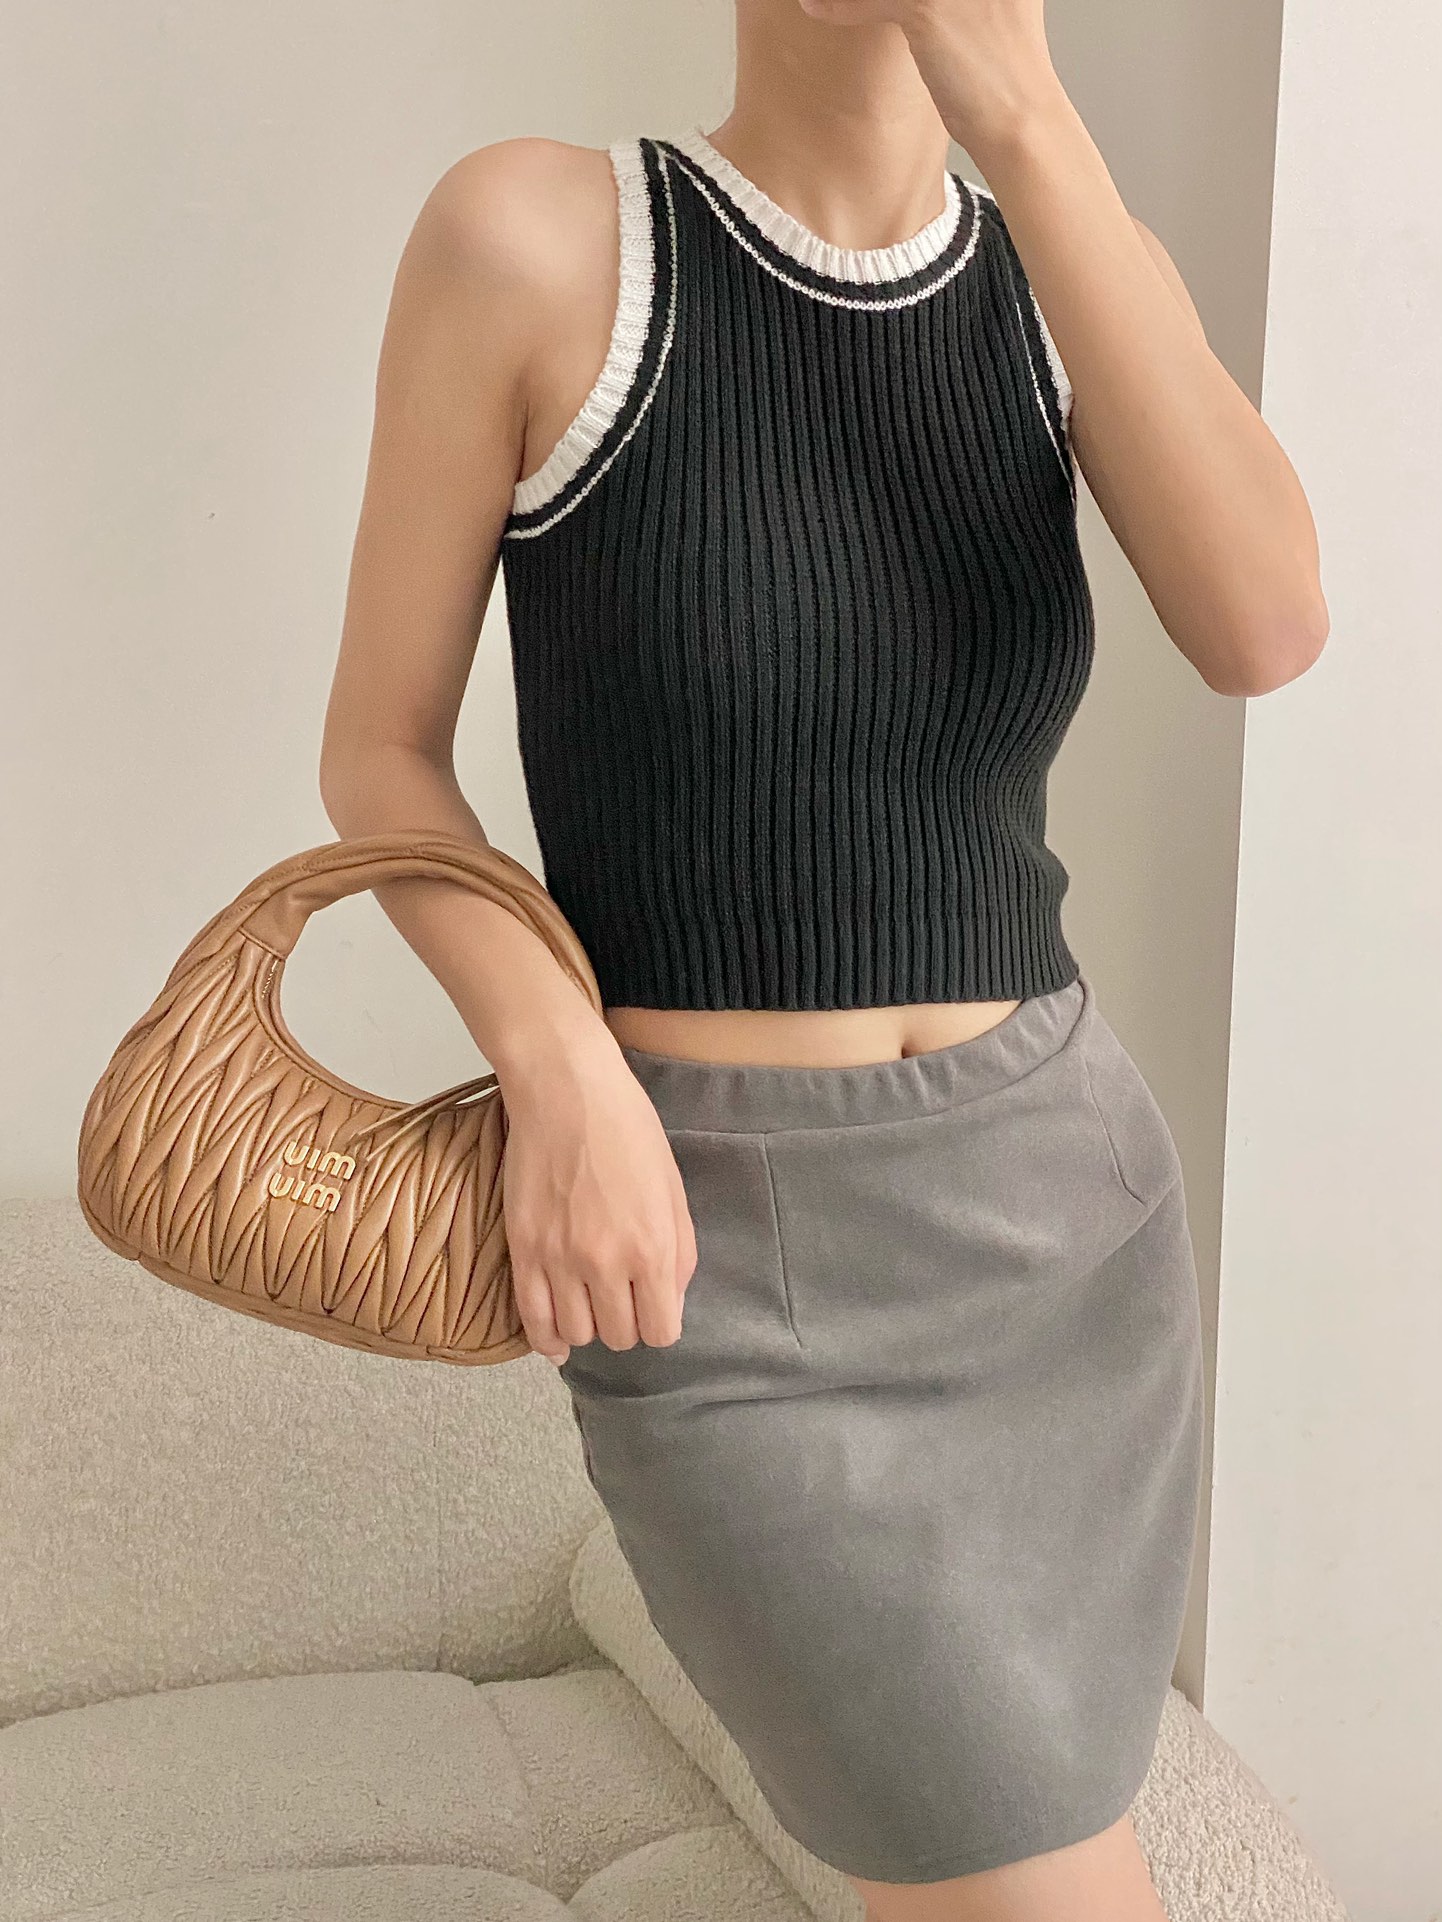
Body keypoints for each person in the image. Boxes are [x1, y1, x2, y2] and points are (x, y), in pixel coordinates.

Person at [317, 2, 1327, 1916]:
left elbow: (1263, 624)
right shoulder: (542, 242)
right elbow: (379, 753)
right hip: (726, 1264)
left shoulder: (1064, 262)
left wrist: (1025, 119)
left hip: (1062, 1226)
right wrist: (558, 1060)